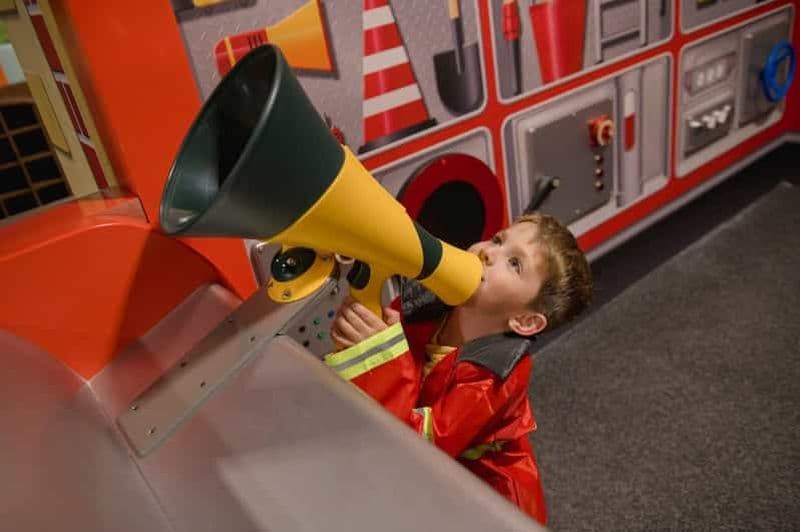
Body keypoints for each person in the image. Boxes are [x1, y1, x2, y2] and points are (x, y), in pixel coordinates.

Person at [324, 212, 592, 525]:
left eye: (515, 263)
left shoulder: (492, 377)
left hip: (484, 487)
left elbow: (424, 446)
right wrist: (361, 340)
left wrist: (381, 359)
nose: (489, 252)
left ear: (525, 321)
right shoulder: (432, 306)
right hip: (425, 462)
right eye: (498, 239)